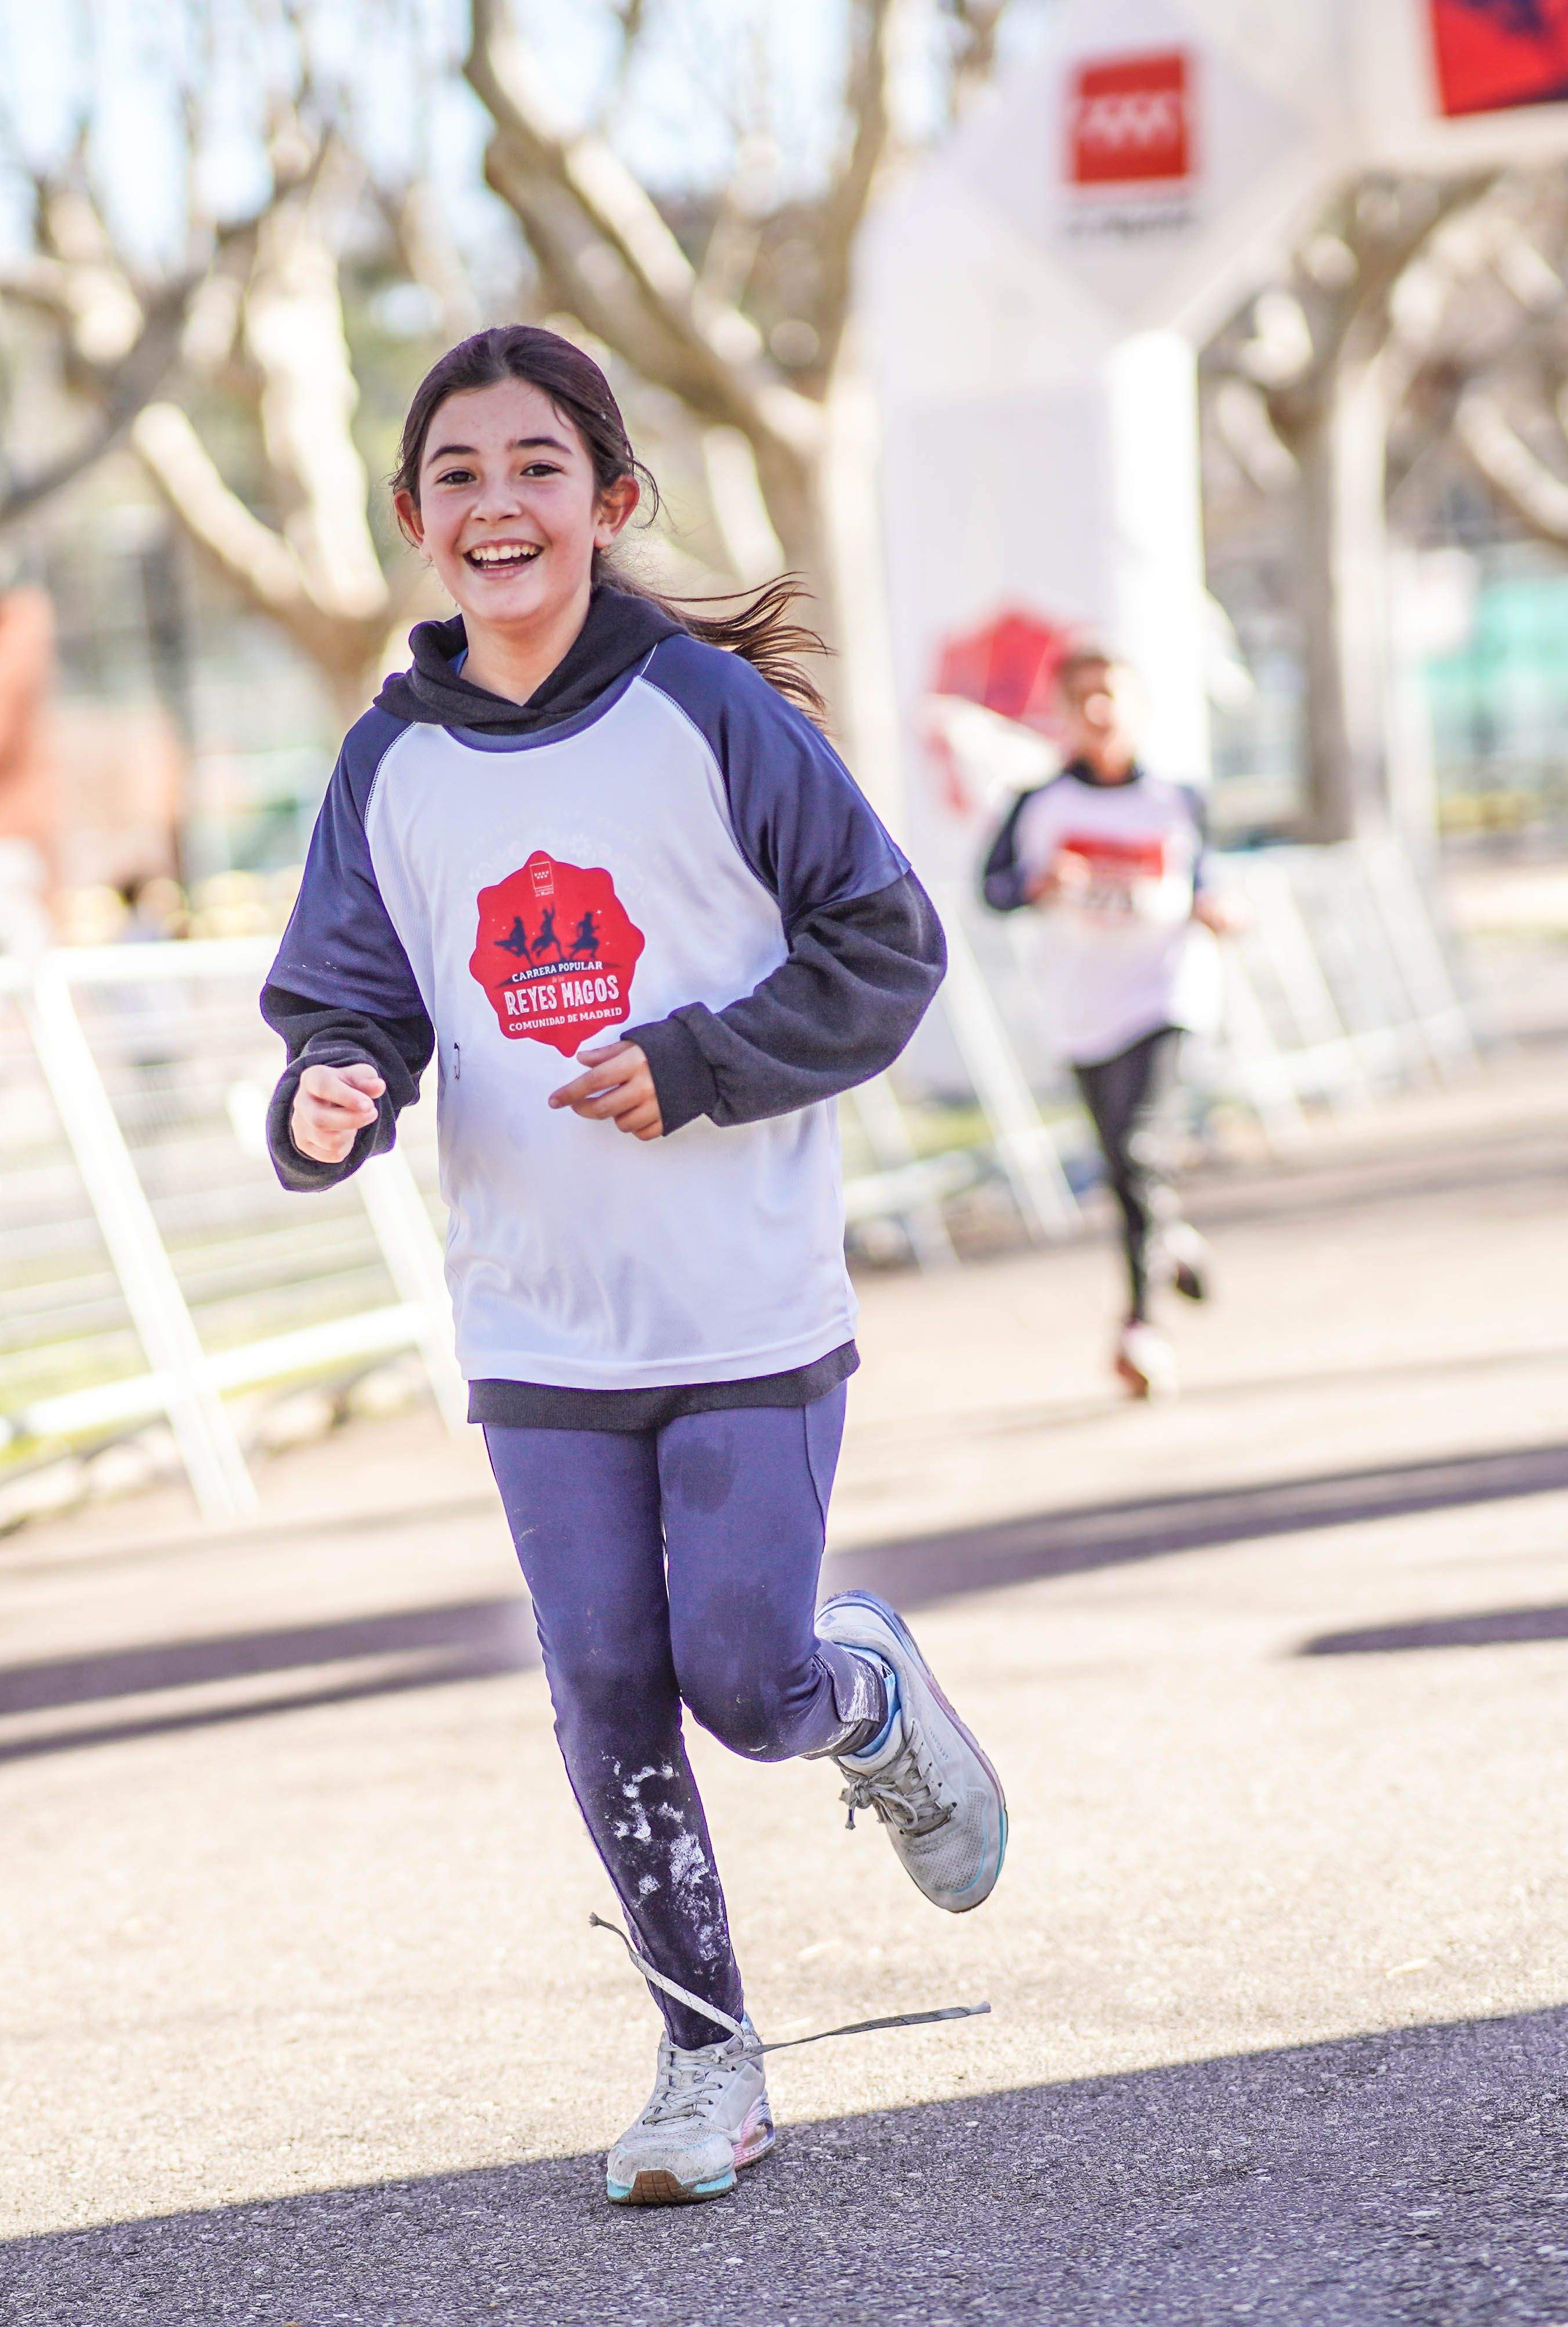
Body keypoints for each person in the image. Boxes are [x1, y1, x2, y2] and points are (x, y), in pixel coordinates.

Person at [261, 325, 1007, 2208]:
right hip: (535, 1317)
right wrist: (330, 1092)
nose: (493, 503)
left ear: (608, 504)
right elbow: (349, 1005)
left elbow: (886, 949)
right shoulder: (393, 766)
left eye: (533, 468)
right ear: (418, 523)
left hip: (741, 1299)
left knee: (739, 1678)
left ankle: (866, 1693)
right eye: (454, 474)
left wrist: (691, 1066)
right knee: (604, 1684)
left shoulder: (706, 715)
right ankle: (705, 2063)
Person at [978, 645, 1225, 1401]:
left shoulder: (1176, 800)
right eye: (1081, 697)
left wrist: (1220, 909)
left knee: (1137, 1145)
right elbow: (992, 889)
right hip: (1082, 1003)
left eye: (1110, 695)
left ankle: (1141, 1328)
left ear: (1137, 707)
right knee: (1125, 1162)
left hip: (1164, 993)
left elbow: (1206, 882)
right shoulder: (1039, 805)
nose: (1097, 711)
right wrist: (1038, 881)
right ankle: (1170, 1237)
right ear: (1062, 713)